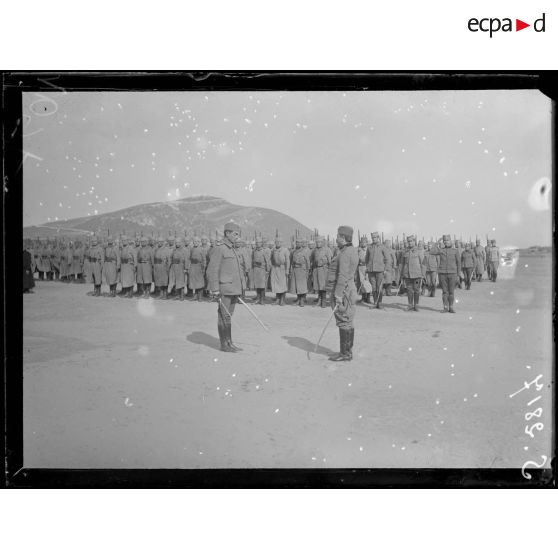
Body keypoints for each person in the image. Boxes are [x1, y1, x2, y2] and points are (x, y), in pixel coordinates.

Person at [207, 222, 246, 353]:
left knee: (228, 316)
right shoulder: (219, 248)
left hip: (233, 288)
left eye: (238, 234)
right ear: (227, 233)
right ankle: (224, 344)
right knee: (223, 316)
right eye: (235, 234)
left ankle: (230, 343)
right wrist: (215, 289)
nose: (237, 236)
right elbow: (213, 270)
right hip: (224, 288)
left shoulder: (232, 248)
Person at [328, 226, 358, 362]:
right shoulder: (350, 250)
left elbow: (342, 276)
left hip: (344, 290)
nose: (336, 238)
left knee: (343, 320)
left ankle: (345, 353)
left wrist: (338, 294)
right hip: (349, 289)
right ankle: (347, 352)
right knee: (348, 320)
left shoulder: (346, 253)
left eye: (338, 236)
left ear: (344, 238)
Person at [429, 235, 461, 313]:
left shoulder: (455, 251)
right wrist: (437, 242)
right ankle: (445, 307)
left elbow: (459, 263)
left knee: (451, 292)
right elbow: (431, 251)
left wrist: (458, 275)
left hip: (453, 273)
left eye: (447, 240)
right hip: (442, 274)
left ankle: (451, 307)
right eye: (444, 241)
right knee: (444, 292)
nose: (446, 242)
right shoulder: (441, 250)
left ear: (451, 241)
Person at [399, 235, 426, 311]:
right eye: (409, 241)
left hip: (417, 274)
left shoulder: (419, 251)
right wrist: (402, 274)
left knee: (416, 290)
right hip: (407, 274)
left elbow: (423, 264)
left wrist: (423, 274)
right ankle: (410, 305)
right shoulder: (405, 251)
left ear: (414, 241)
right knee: (409, 290)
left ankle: (416, 305)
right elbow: (402, 263)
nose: (410, 243)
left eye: (411, 241)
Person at [365, 231, 389, 309]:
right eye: (372, 238)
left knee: (379, 287)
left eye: (375, 237)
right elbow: (367, 259)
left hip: (380, 270)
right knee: (373, 287)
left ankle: (380, 303)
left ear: (378, 238)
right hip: (371, 270)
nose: (374, 239)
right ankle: (375, 302)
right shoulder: (369, 247)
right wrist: (367, 268)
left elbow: (387, 259)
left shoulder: (382, 247)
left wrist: (385, 269)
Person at [289, 239, 311, 307]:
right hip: (295, 270)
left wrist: (308, 271)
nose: (298, 244)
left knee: (302, 286)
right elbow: (291, 261)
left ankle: (302, 301)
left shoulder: (305, 251)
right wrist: (291, 269)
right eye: (297, 243)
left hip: (302, 270)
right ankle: (298, 299)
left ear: (302, 244)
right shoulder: (294, 252)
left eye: (300, 243)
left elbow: (308, 262)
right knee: (296, 286)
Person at [311, 236, 332, 308]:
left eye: (319, 242)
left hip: (324, 270)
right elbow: (312, 259)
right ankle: (319, 300)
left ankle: (323, 302)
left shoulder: (327, 250)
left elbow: (330, 261)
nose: (318, 243)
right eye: (317, 242)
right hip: (316, 270)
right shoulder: (315, 250)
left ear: (322, 242)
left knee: (323, 286)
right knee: (318, 286)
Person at [270, 234, 290, 305]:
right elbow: (271, 259)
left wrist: (287, 270)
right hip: (275, 269)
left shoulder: (285, 250)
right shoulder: (273, 250)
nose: (278, 243)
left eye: (279, 242)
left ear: (282, 243)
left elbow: (287, 261)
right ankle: (277, 299)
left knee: (283, 285)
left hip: (282, 269)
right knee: (276, 285)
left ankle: (282, 300)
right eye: (276, 242)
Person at [251, 237, 270, 304]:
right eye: (256, 243)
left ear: (261, 243)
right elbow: (252, 259)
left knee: (262, 285)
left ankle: (262, 299)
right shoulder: (254, 251)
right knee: (257, 285)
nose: (257, 244)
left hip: (262, 269)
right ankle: (258, 298)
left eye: (259, 243)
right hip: (256, 269)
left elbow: (267, 261)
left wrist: (267, 270)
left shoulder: (264, 251)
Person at [189, 237, 206, 301]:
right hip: (193, 267)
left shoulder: (202, 249)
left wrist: (203, 268)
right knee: (194, 282)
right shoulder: (192, 249)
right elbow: (190, 258)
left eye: (196, 241)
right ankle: (195, 296)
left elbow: (204, 259)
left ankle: (200, 296)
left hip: (199, 266)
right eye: (194, 241)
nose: (195, 243)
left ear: (199, 242)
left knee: (200, 282)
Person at [355, 236, 369, 303]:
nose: (363, 243)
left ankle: (368, 298)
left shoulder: (369, 249)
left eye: (364, 242)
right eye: (362, 242)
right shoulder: (358, 249)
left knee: (368, 282)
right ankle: (363, 297)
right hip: (360, 267)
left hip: (367, 267)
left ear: (367, 243)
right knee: (361, 283)